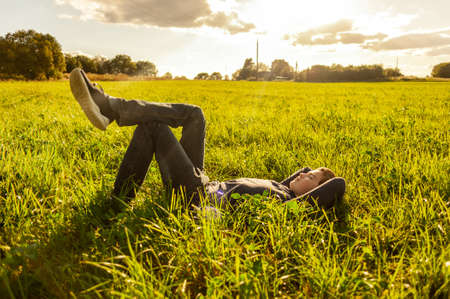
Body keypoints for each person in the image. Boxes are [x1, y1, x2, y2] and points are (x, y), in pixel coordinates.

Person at [69, 68, 346, 213]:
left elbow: (337, 185)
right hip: (202, 180)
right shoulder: (281, 187)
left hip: (197, 196)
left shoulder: (289, 206)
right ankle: (111, 109)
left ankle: (109, 109)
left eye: (312, 175)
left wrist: (316, 184)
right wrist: (305, 176)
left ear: (314, 193)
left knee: (152, 127)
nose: (305, 172)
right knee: (195, 115)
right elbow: (297, 177)